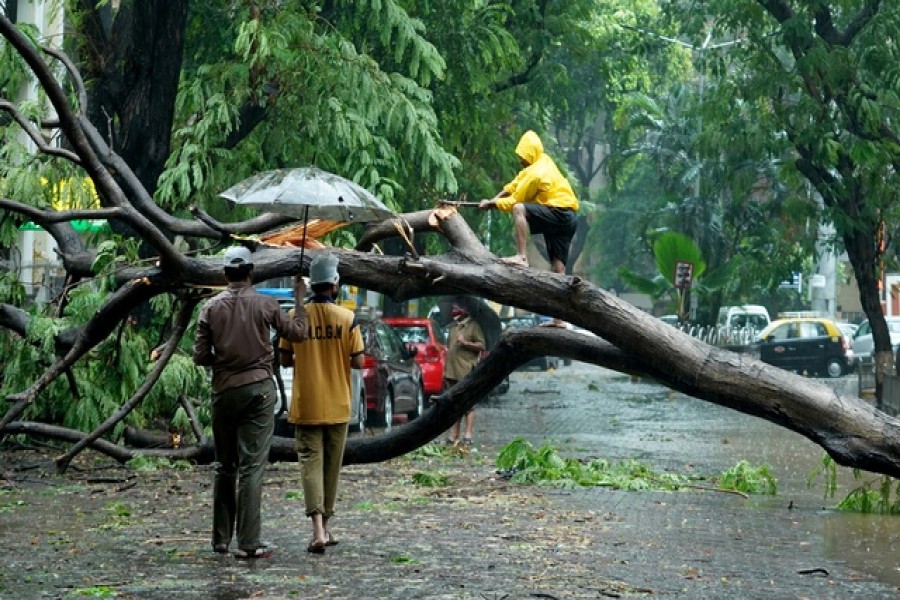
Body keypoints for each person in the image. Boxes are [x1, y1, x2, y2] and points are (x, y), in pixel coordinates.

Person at [192, 246, 309, 559]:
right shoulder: (266, 304)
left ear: (225, 274)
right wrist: (299, 298)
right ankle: (248, 543)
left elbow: (200, 356)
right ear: (251, 273)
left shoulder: (210, 308)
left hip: (224, 392)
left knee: (224, 465)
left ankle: (219, 540)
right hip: (258, 390)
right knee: (252, 467)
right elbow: (299, 333)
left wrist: (224, 360)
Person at [279, 253, 365, 554]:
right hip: (339, 404)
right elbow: (358, 362)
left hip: (307, 405)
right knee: (331, 468)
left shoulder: (295, 317)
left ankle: (318, 528)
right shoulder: (347, 318)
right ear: (335, 283)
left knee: (310, 466)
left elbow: (284, 358)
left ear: (312, 284)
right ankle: (325, 527)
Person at [443, 300, 486, 446]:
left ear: (466, 309)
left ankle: (468, 435)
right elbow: (448, 348)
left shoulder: (474, 326)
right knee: (454, 404)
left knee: (468, 404)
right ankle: (454, 434)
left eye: (458, 307)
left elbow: (481, 346)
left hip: (466, 370)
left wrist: (466, 343)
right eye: (454, 307)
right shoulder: (453, 327)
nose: (455, 310)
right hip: (451, 371)